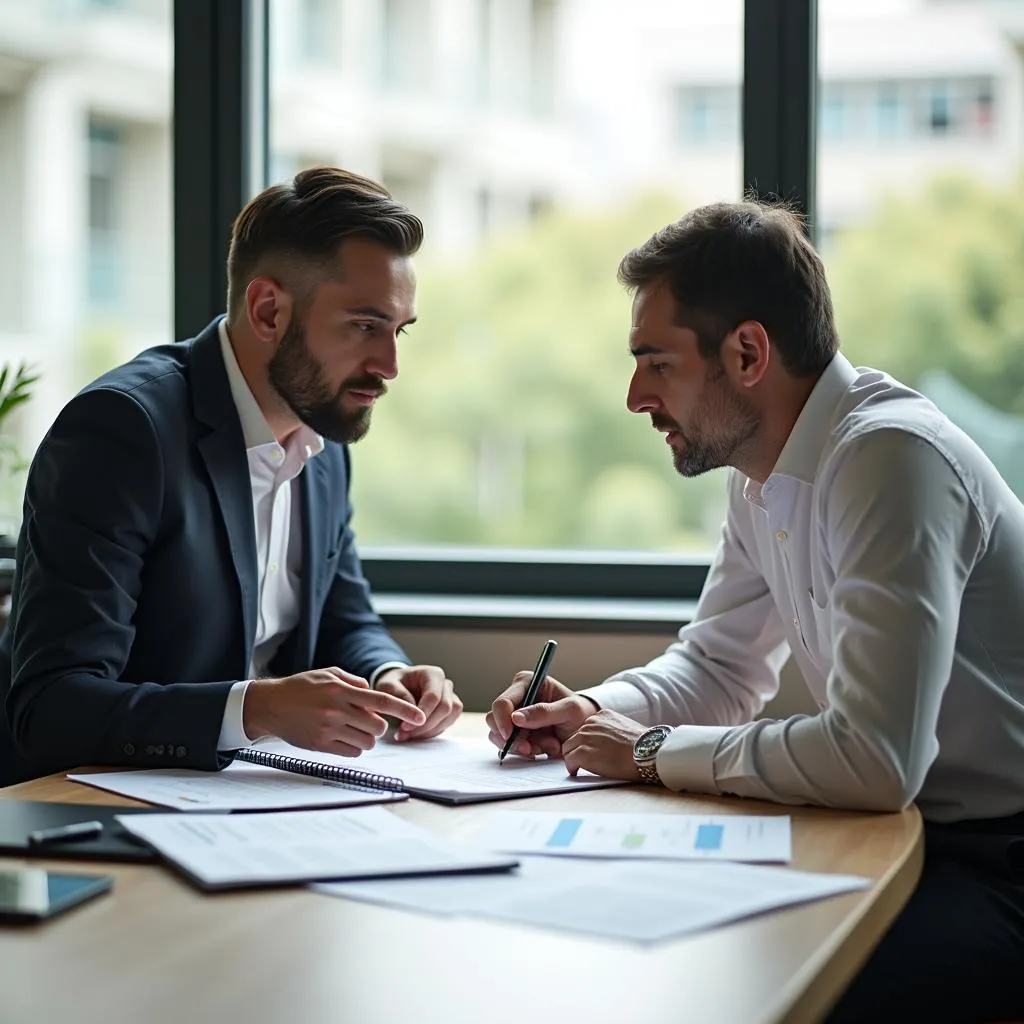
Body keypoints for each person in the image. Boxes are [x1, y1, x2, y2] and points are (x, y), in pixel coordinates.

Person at [487, 200, 1024, 1023]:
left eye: (655, 363)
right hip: (905, 835)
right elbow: (718, 665)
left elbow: (875, 762)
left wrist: (653, 751)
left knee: (765, 992)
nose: (635, 396)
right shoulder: (760, 476)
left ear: (746, 352)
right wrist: (595, 710)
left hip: (997, 856)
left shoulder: (891, 459)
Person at [0, 166, 462, 786]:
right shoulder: (122, 433)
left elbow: (344, 618)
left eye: (399, 330)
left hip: (255, 801)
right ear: (268, 310)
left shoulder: (322, 439)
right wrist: (257, 708)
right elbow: (52, 708)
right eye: (364, 326)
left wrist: (386, 676)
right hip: (100, 811)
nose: (390, 365)